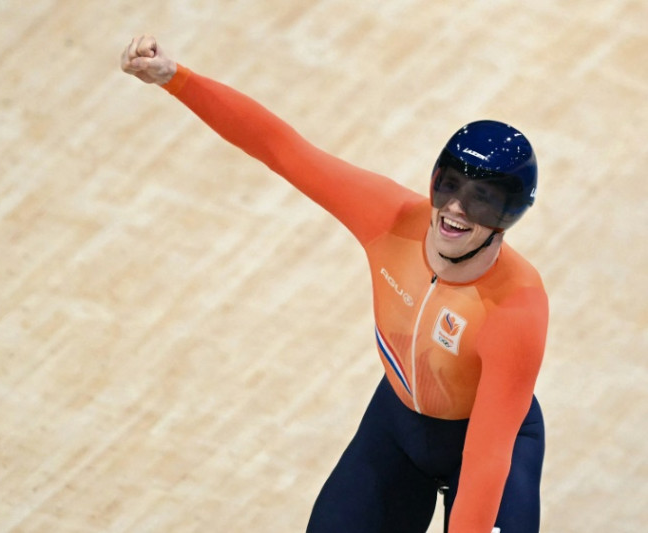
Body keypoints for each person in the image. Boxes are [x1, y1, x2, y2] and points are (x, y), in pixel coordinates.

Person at [120, 35, 548, 533]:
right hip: (399, 426)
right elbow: (282, 149)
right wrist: (176, 78)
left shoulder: (516, 310)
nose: (455, 209)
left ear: (508, 218)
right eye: (449, 185)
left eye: (481, 201)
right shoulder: (390, 218)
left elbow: (486, 459)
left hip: (487, 445)